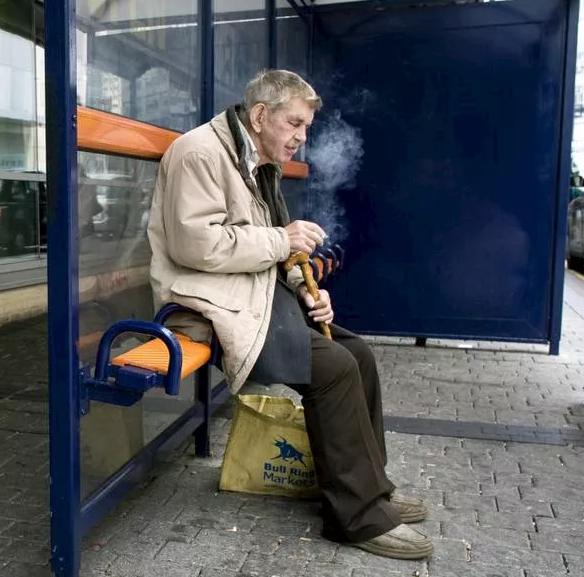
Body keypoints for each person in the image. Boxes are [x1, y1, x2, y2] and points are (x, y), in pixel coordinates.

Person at [147, 69, 434, 560]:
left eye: (306, 128)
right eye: (295, 124)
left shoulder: (255, 159)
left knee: (357, 353)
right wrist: (283, 240)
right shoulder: (198, 152)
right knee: (334, 370)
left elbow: (284, 255)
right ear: (261, 116)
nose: (302, 138)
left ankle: (371, 489)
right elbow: (195, 245)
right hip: (203, 306)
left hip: (250, 296)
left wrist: (308, 293)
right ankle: (357, 518)